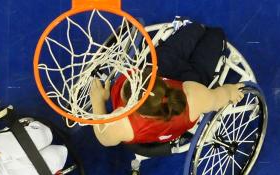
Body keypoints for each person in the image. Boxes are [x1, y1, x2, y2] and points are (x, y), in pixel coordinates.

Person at [88, 21, 245, 147]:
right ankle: (201, 30)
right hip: (186, 83)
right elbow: (219, 97)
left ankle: (195, 28)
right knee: (214, 34)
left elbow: (104, 137)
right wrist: (230, 91)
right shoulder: (193, 97)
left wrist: (98, 101)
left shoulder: (121, 124)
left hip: (169, 79)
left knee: (190, 35)